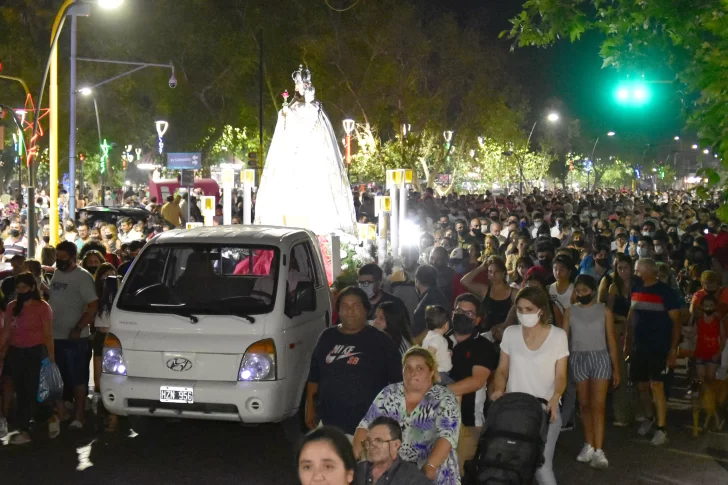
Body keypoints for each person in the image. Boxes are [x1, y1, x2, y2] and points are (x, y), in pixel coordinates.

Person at [491, 286, 569, 485]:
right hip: (514, 411)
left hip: (545, 410)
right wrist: (498, 389)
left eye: (529, 309)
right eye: (519, 309)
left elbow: (561, 375)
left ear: (541, 310)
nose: (523, 314)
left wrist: (555, 397)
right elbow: (502, 369)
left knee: (542, 466)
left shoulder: (558, 336)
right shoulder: (510, 333)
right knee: (511, 465)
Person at [354, 347, 461, 484]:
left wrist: (430, 467)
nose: (412, 373)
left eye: (419, 368)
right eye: (408, 368)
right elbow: (365, 426)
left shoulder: (444, 398)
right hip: (395, 473)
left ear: (431, 372)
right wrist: (353, 459)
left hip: (436, 471)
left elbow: (447, 437)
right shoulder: (389, 393)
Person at [306, 287, 402, 436]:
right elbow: (314, 376)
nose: (350, 311)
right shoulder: (327, 336)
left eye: (356, 306)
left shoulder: (381, 341)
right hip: (329, 424)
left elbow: (398, 384)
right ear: (338, 310)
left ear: (366, 309)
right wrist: (310, 408)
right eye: (345, 306)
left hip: (367, 428)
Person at [563, 275, 620, 469]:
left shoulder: (604, 311)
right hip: (578, 358)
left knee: (599, 405)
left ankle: (599, 449)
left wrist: (616, 368)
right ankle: (588, 444)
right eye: (578, 291)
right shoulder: (569, 312)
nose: (581, 295)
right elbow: (563, 341)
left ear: (593, 291)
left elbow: (612, 341)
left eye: (584, 291)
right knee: (585, 405)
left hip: (600, 358)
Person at [625, 258, 682, 446]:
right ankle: (649, 417)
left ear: (649, 271)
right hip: (639, 347)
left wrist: (673, 348)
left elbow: (676, 322)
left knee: (656, 386)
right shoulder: (636, 290)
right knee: (641, 386)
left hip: (659, 347)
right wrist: (627, 341)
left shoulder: (667, 292)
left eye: (638, 269)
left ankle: (661, 427)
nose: (636, 272)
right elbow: (631, 316)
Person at [49, 241, 99, 430]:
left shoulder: (83, 277)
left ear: (73, 257)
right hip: (55, 336)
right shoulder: (57, 273)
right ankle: (63, 412)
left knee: (78, 378)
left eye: (63, 258)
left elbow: (93, 305)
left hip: (75, 339)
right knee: (60, 378)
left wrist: (78, 328)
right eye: (57, 258)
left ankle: (79, 416)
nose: (59, 261)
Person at [447, 292, 499, 474]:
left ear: (477, 320)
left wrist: (440, 392)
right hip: (439, 418)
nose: (462, 316)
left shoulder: (482, 346)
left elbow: (477, 381)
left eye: (469, 314)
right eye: (459, 311)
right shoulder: (442, 339)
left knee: (460, 472)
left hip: (468, 422)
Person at [0, 272, 54, 444]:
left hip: (34, 352)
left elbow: (47, 335)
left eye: (24, 287)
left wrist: (51, 359)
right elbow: (7, 332)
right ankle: (38, 422)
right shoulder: (12, 306)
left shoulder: (42, 307)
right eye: (18, 287)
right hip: (16, 352)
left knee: (31, 391)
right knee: (21, 389)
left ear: (32, 288)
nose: (20, 290)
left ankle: (27, 429)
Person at [355, 417, 432, 485]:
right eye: (369, 440)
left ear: (395, 445)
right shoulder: (357, 470)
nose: (372, 445)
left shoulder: (413, 478)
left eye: (379, 440)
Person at [607, 253, 637, 426]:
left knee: (637, 372)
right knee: (621, 372)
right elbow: (608, 311)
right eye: (620, 268)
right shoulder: (613, 287)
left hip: (637, 330)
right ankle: (621, 414)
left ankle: (639, 411)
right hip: (619, 329)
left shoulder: (637, 285)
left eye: (626, 267)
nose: (623, 271)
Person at [461, 256, 515, 333]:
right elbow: (464, 281)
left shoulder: (513, 292)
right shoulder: (485, 290)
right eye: (490, 271)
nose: (493, 275)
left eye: (496, 272)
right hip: (485, 335)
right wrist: (481, 268)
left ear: (503, 273)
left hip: (505, 335)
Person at [411, 265, 450, 344]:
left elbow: (434, 326)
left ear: (417, 281)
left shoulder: (430, 299)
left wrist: (414, 343)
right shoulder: (434, 295)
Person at [693, 294, 724, 384]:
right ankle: (702, 397)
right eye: (706, 305)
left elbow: (723, 339)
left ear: (715, 306)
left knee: (710, 379)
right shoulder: (699, 320)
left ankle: (710, 397)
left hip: (713, 354)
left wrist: (718, 353)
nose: (708, 308)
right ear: (702, 306)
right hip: (700, 353)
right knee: (701, 379)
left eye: (711, 305)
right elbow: (692, 334)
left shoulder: (718, 321)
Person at [422, 305, 453, 384]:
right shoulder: (437, 338)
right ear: (446, 325)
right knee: (454, 388)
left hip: (439, 373)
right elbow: (429, 354)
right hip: (440, 373)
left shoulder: (430, 336)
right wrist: (435, 374)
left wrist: (446, 352)